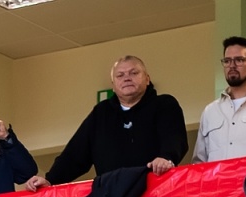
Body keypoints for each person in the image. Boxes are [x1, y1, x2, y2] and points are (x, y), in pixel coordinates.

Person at [26, 56, 188, 189]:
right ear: (114, 85)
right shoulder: (101, 113)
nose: (127, 78)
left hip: (156, 190)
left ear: (147, 79)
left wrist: (166, 158)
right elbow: (75, 154)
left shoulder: (164, 105)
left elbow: (175, 139)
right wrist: (50, 180)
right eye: (120, 75)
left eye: (134, 73)